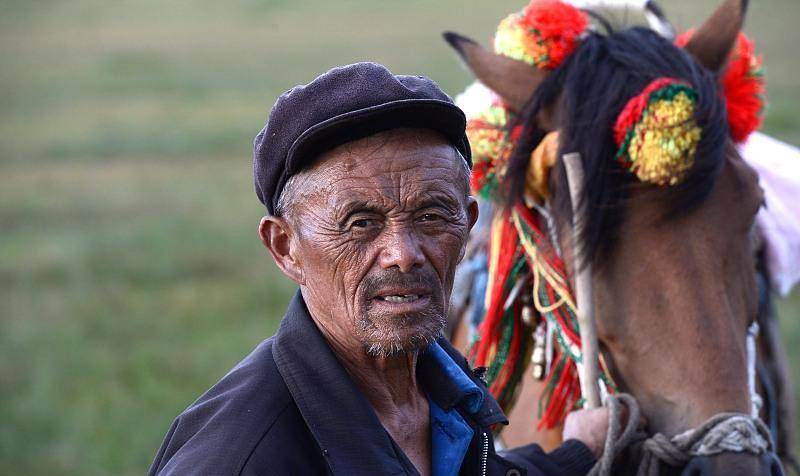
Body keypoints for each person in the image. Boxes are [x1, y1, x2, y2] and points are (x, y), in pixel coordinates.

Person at [148, 62, 610, 476]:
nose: (403, 254)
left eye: (431, 216)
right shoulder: (238, 458)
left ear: (469, 224)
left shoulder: (443, 393)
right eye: (361, 223)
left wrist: (579, 452)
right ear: (286, 247)